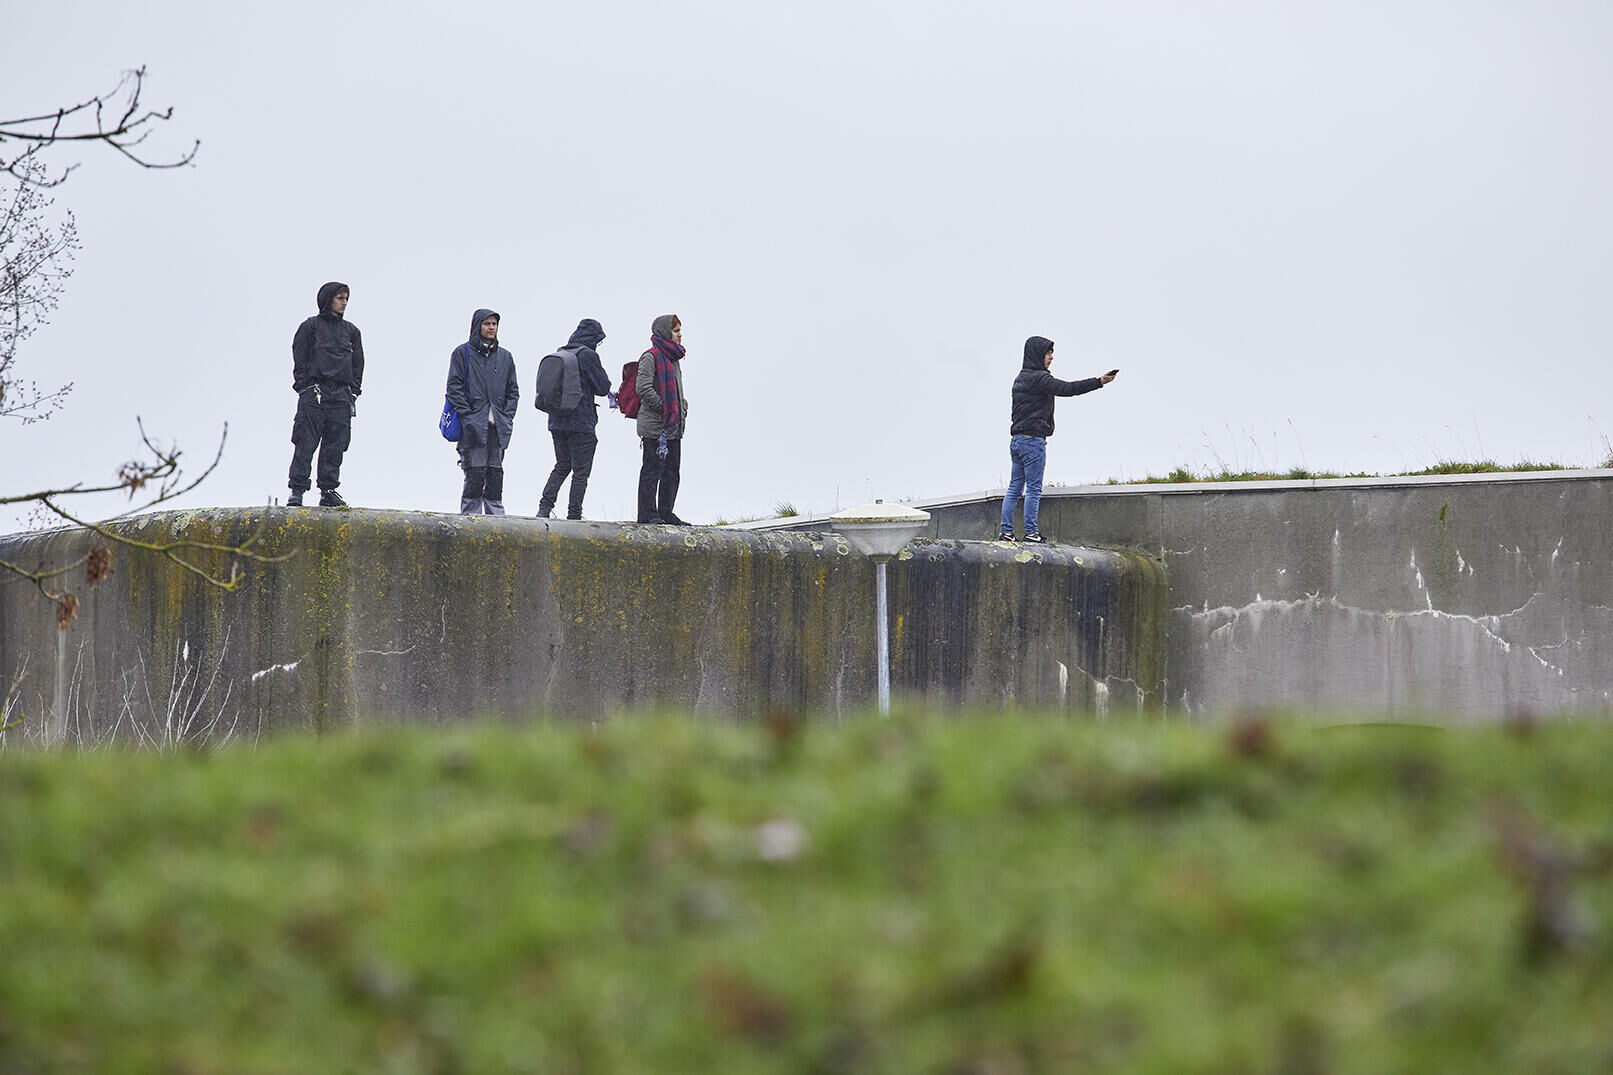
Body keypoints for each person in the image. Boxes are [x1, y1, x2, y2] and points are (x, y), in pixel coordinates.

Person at [999, 336, 1117, 544]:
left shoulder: (1020, 378)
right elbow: (1068, 389)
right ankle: (1030, 533)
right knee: (1034, 489)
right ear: (1038, 354)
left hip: (1016, 441)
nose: (1052, 357)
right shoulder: (1040, 379)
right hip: (1033, 442)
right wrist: (1099, 382)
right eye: (1048, 353)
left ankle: (1006, 532)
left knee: (1014, 487)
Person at [287, 281, 364, 507]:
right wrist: (305, 387)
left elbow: (358, 364)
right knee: (305, 442)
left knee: (336, 445)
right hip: (315, 393)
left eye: (346, 299)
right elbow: (299, 356)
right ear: (328, 299)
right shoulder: (310, 327)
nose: (344, 303)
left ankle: (328, 490)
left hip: (341, 395)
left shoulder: (352, 332)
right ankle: (297, 490)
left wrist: (353, 392)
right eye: (340, 298)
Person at [446, 309, 520, 515]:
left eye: (494, 324)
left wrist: (506, 415)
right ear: (478, 325)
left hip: (498, 426)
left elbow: (513, 391)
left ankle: (496, 517)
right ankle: (471, 517)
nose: (491, 328)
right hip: (473, 426)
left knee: (495, 473)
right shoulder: (462, 353)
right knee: (474, 472)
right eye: (487, 323)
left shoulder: (505, 357)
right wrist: (468, 416)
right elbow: (453, 387)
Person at [537, 319, 613, 520]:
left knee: (562, 465)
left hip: (556, 420)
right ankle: (574, 514)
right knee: (581, 471)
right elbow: (603, 387)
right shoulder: (588, 356)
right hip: (581, 423)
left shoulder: (562, 351)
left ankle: (544, 509)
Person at [635, 314, 689, 525]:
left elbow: (675, 390)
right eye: (676, 331)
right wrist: (665, 407)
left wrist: (682, 407)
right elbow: (643, 388)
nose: (680, 335)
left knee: (672, 472)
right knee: (652, 470)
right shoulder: (650, 356)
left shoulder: (673, 358)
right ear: (666, 333)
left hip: (673, 425)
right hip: (655, 427)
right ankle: (647, 514)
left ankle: (666, 512)